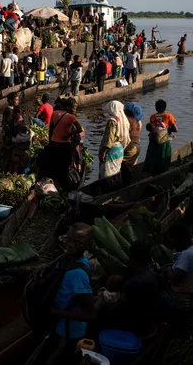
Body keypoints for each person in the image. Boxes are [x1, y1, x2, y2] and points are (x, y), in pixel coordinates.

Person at [45, 223, 95, 365]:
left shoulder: (78, 274)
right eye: (69, 239)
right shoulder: (71, 257)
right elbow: (63, 257)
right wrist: (45, 267)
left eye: (77, 242)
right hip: (59, 325)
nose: (71, 245)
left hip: (68, 331)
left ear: (87, 246)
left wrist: (57, 312)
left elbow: (89, 314)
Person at [41, 99, 83, 191]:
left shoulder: (55, 113)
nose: (75, 110)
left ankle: (54, 185)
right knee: (64, 168)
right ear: (68, 107)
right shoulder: (72, 117)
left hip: (53, 145)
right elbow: (81, 132)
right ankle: (63, 189)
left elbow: (50, 131)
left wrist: (51, 142)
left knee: (54, 167)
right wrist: (69, 135)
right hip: (64, 147)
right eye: (74, 108)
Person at [98, 101, 130, 191]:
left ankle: (107, 191)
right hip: (119, 148)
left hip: (111, 150)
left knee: (107, 172)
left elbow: (109, 139)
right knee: (116, 170)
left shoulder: (112, 121)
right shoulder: (123, 119)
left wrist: (103, 152)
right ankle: (117, 189)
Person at [145, 99, 178, 176]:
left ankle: (153, 172)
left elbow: (151, 129)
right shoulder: (168, 116)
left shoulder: (152, 117)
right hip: (164, 141)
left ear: (156, 108)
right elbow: (176, 129)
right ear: (165, 108)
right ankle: (163, 172)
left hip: (154, 141)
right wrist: (168, 128)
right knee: (163, 156)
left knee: (154, 156)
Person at [121, 102, 143, 184]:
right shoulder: (139, 121)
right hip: (137, 144)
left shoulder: (129, 122)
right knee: (131, 166)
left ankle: (126, 184)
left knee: (125, 167)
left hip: (131, 146)